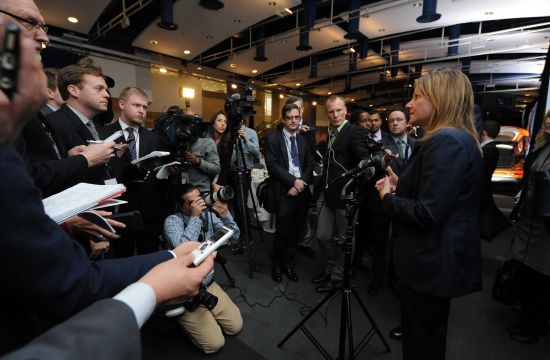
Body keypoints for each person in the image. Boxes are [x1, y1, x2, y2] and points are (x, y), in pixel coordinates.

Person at [0, 16, 214, 356]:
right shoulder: (41, 127)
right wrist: (163, 271)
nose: (41, 37)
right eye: (26, 25)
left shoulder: (95, 129)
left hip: (95, 222)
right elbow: (68, 282)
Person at [375, 68, 483, 360]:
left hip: (430, 264)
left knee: (423, 345)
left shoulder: (445, 141)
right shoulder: (457, 139)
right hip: (437, 262)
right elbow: (439, 194)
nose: (409, 104)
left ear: (439, 100)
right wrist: (403, 185)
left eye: (417, 97)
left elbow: (428, 212)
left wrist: (388, 197)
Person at [163, 184, 242, 354]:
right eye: (192, 202)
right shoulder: (172, 221)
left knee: (236, 326)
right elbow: (184, 252)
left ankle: (206, 313)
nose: (199, 204)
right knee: (215, 344)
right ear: (181, 205)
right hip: (184, 291)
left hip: (207, 283)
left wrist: (225, 215)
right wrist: (195, 218)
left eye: (200, 197)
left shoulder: (209, 216)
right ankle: (178, 314)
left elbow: (234, 237)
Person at [312, 95, 369, 293]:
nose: (335, 115)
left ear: (346, 111)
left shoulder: (355, 132)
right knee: (321, 236)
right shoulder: (331, 131)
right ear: (327, 113)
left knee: (346, 241)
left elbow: (364, 160)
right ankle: (330, 269)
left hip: (346, 196)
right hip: (328, 194)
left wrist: (363, 172)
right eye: (331, 111)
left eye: (338, 110)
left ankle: (338, 277)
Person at [105, 86, 167, 256]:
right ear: (122, 104)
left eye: (145, 107)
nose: (142, 111)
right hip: (120, 211)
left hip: (150, 213)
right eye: (137, 105)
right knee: (121, 259)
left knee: (150, 260)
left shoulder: (154, 138)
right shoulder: (105, 134)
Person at [507, 109, 550, 343]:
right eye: (549, 118)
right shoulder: (542, 145)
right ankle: (526, 319)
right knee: (527, 275)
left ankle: (536, 325)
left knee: (541, 279)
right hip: (529, 220)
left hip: (545, 227)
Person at [265, 103, 314, 282]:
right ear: (283, 119)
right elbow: (272, 166)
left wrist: (300, 184)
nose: (293, 121)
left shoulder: (303, 140)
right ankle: (276, 265)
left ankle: (288, 264)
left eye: (296, 117)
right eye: (289, 117)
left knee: (296, 232)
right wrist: (294, 182)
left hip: (301, 192)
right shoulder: (273, 139)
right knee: (283, 231)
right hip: (284, 191)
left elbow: (310, 165)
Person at [208, 110, 232, 188]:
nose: (223, 124)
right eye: (219, 121)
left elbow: (225, 167)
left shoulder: (228, 143)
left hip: (220, 183)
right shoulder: (206, 140)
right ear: (213, 122)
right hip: (205, 182)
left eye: (225, 122)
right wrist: (211, 184)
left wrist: (219, 186)